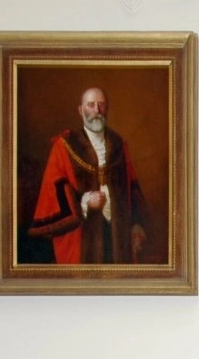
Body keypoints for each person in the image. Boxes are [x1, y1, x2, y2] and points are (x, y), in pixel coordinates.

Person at [29, 87, 148, 264]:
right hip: (82, 235)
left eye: (101, 105)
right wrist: (84, 202)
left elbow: (132, 188)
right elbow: (52, 193)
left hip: (118, 234)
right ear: (80, 110)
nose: (96, 110)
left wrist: (137, 224)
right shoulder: (64, 146)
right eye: (90, 105)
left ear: (107, 108)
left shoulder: (119, 144)